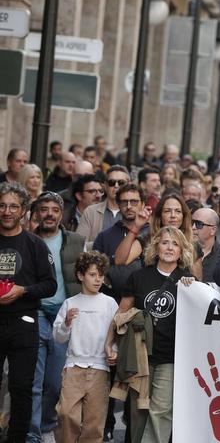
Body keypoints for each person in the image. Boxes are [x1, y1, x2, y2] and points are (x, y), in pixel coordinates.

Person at [112, 226, 196, 443]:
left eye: (175, 244)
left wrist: (193, 288)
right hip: (139, 356)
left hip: (170, 357)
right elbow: (121, 313)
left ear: (182, 251)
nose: (169, 247)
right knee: (137, 414)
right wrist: (109, 344)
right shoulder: (139, 276)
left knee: (161, 411)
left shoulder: (188, 280)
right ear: (156, 247)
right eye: (165, 242)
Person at [0, 183, 58, 443]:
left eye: (13, 206)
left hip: (24, 323)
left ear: (24, 211)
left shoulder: (35, 244)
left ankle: (17, 438)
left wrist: (23, 290)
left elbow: (50, 285)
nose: (6, 211)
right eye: (2, 205)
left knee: (22, 387)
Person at [28, 191, 86, 442]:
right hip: (36, 312)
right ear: (36, 213)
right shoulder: (28, 240)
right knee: (34, 379)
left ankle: (47, 424)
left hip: (64, 315)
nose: (49, 214)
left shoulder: (76, 240)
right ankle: (32, 433)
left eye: (54, 209)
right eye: (44, 209)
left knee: (54, 381)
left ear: (61, 214)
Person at [52, 251, 117, 443]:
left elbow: (117, 335)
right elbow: (58, 337)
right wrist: (66, 323)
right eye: (92, 274)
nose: (98, 279)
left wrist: (114, 352)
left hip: (100, 369)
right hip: (73, 368)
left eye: (101, 275)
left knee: (94, 423)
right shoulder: (70, 303)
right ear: (81, 275)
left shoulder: (109, 303)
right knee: (65, 413)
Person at [77, 166, 130, 245]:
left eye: (121, 182)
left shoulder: (136, 212)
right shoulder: (91, 211)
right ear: (105, 185)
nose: (116, 186)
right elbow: (78, 244)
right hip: (95, 256)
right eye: (111, 182)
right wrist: (103, 245)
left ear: (129, 185)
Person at [191, 208, 219, 282]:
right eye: (191, 223)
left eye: (198, 224)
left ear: (213, 230)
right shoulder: (181, 250)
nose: (193, 227)